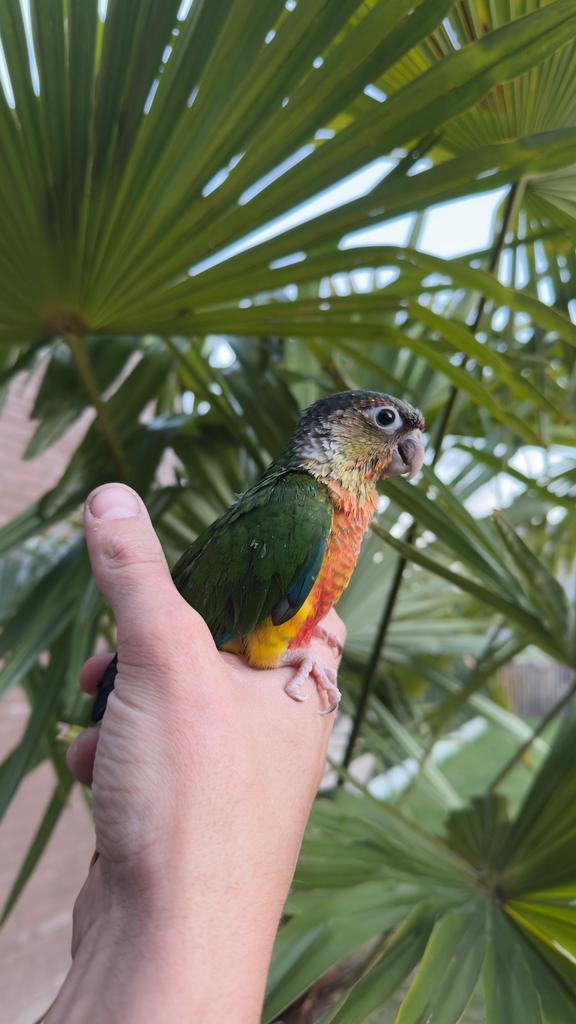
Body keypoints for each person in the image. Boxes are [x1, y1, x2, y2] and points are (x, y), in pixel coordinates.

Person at [47, 483, 343, 1023]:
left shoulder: (327, 519)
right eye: (384, 422)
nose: (407, 445)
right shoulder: (301, 507)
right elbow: (251, 644)